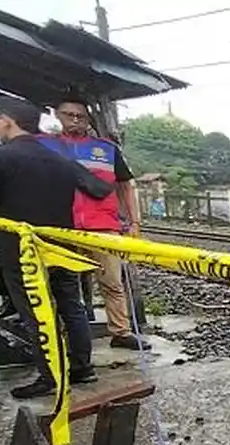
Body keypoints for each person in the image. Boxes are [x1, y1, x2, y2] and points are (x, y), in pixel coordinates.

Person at [0, 96, 113, 399]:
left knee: (36, 310)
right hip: (62, 245)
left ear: (6, 121)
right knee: (72, 306)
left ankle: (50, 374)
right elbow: (99, 188)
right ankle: (82, 367)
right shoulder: (60, 159)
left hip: (21, 250)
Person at [37, 97, 149, 351]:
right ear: (57, 115)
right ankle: (64, 334)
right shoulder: (45, 145)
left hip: (103, 226)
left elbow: (125, 185)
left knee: (112, 282)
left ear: (88, 119)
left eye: (81, 116)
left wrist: (133, 221)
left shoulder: (106, 149)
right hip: (61, 226)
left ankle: (121, 332)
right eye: (69, 114)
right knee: (63, 285)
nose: (75, 120)